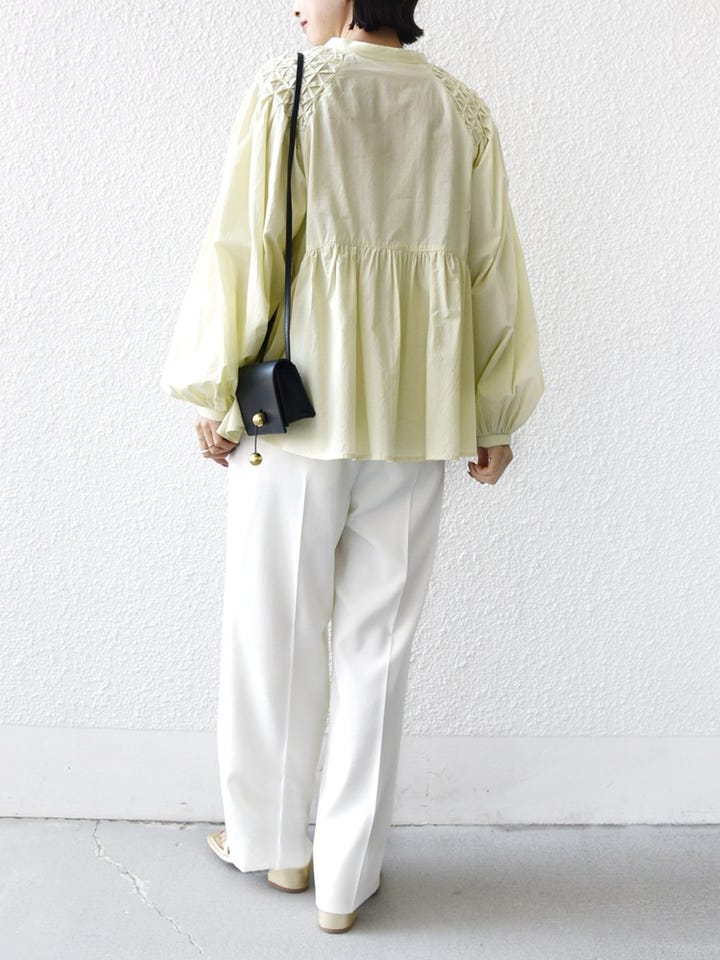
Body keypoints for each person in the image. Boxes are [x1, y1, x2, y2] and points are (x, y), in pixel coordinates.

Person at [160, 0, 545, 934]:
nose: (294, 6)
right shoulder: (462, 109)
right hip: (419, 420)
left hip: (295, 419)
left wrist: (215, 389)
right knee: (377, 650)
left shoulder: (288, 91)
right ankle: (345, 878)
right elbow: (492, 269)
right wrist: (495, 412)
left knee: (275, 634)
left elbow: (244, 250)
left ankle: (273, 845)